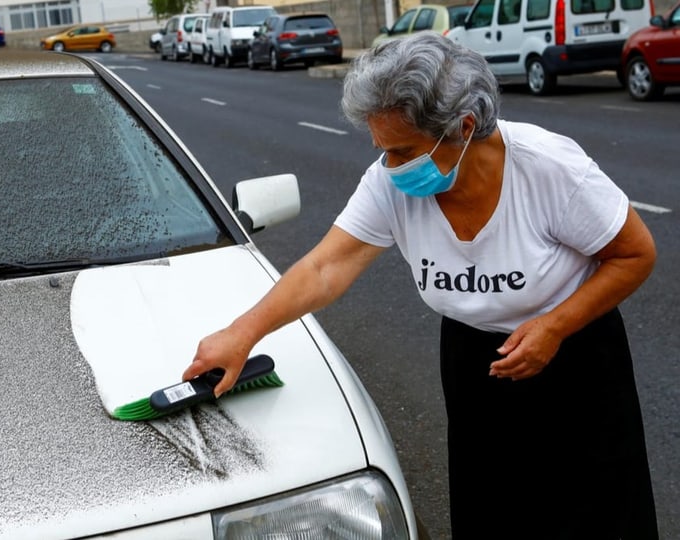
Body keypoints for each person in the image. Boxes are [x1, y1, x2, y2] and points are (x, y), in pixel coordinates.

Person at [182, 32, 660, 538]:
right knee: (495, 509)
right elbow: (327, 267)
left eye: (403, 150)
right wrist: (243, 333)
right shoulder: (389, 183)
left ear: (463, 127)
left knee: (595, 509)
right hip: (478, 361)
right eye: (382, 150)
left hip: (575, 357)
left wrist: (555, 327)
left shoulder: (549, 169)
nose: (390, 167)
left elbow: (635, 254)